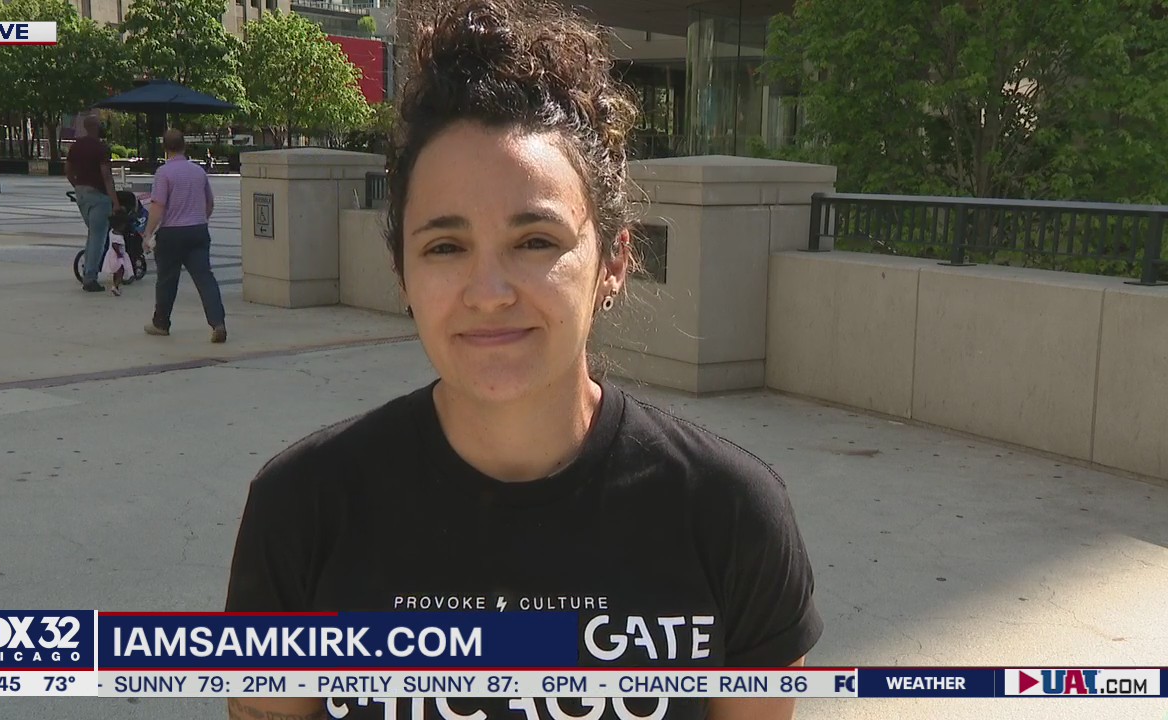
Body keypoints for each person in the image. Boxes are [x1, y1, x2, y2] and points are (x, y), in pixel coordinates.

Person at [224, 1, 822, 718]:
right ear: (403, 271)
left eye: (535, 241)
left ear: (614, 261)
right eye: (445, 247)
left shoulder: (730, 514)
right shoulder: (301, 508)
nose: (489, 292)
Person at [142, 128, 227, 343]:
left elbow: (158, 206)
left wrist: (148, 233)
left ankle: (161, 323)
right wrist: (201, 219)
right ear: (184, 146)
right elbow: (210, 203)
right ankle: (217, 322)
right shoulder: (198, 172)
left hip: (171, 233)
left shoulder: (164, 173)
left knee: (167, 280)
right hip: (197, 230)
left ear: (165, 148)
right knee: (205, 278)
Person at [65, 115, 122, 292]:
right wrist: (116, 202)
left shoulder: (76, 146)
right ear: (97, 127)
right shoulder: (101, 148)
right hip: (98, 196)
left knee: (92, 234)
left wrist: (78, 186)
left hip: (81, 194)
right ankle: (90, 277)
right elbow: (106, 177)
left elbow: (67, 170)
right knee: (98, 237)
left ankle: (88, 269)